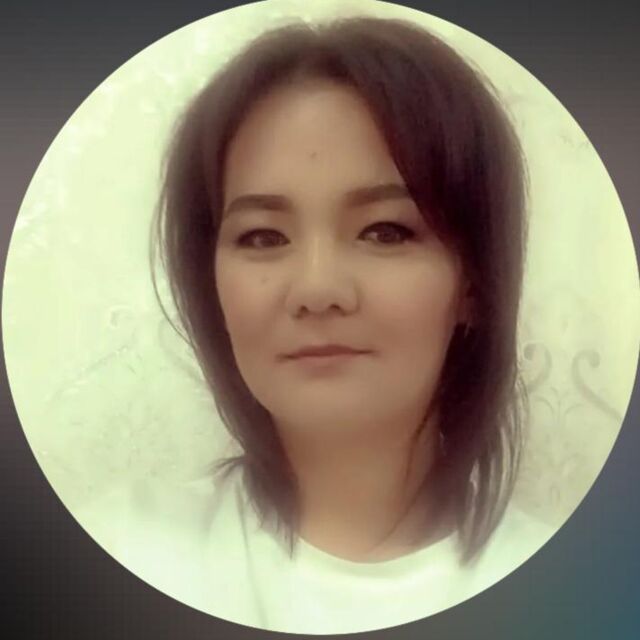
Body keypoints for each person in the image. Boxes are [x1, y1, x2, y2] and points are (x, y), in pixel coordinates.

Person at [77, 15, 552, 634]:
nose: (317, 290)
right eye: (262, 237)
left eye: (386, 231)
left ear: (473, 283)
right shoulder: (120, 547)